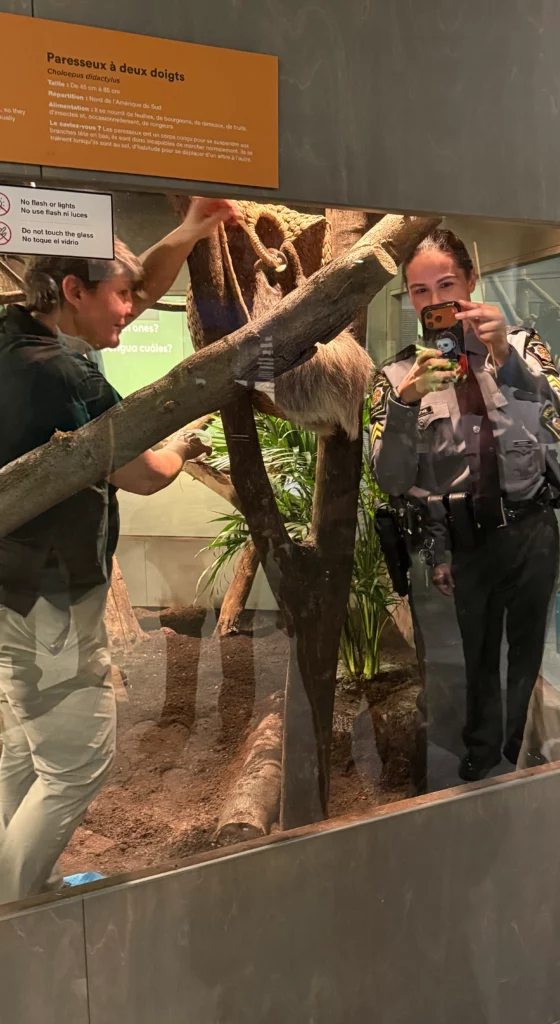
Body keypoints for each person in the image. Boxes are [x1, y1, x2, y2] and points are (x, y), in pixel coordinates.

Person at [0, 198, 237, 904]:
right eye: (120, 295)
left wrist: (191, 231)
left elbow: (134, 290)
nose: (133, 308)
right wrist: (185, 442)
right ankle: (14, 909)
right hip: (49, 601)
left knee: (19, 752)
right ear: (73, 292)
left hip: (11, 590)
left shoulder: (16, 337)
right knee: (78, 765)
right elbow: (142, 474)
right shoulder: (67, 377)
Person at [370, 229, 560, 784]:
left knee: (525, 649)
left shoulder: (526, 347)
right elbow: (389, 477)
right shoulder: (394, 376)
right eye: (417, 291)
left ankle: (514, 745)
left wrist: (506, 359)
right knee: (471, 655)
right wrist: (405, 405)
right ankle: (481, 749)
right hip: (458, 540)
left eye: (446, 284)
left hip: (530, 529)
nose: (433, 302)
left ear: (471, 282)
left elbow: (559, 426)